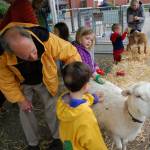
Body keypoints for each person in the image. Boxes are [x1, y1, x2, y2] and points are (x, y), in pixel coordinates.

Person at [0, 22, 81, 150]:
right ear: (11, 52)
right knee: (25, 110)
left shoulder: (45, 37)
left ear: (30, 37)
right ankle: (33, 144)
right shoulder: (2, 55)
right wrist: (20, 100)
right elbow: (6, 82)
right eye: (26, 56)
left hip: (45, 77)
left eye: (33, 50)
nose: (33, 56)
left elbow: (70, 53)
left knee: (52, 106)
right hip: (23, 81)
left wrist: (74, 78)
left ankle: (57, 138)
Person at [56, 61, 108, 150]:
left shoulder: (62, 100)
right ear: (85, 86)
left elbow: (77, 100)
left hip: (68, 145)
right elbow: (93, 141)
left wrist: (93, 98)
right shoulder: (85, 114)